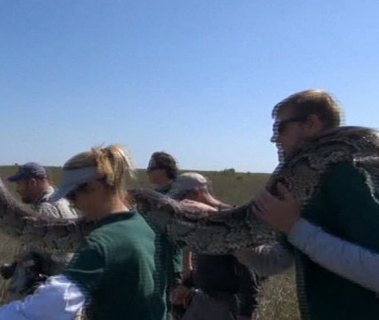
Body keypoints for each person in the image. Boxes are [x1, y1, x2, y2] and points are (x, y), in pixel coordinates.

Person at [0, 145, 175, 320]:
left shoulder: (104, 242)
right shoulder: (149, 226)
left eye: (72, 194)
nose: (72, 202)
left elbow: (57, 303)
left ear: (94, 186)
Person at [235, 89, 379, 320]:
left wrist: (295, 227)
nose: (275, 138)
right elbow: (275, 262)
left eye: (280, 128)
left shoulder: (349, 174)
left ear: (312, 123)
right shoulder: (303, 184)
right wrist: (237, 243)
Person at [170, 173, 259, 320]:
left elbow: (249, 275)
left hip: (225, 305)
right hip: (202, 300)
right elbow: (211, 267)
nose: (179, 207)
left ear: (196, 193)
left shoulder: (232, 220)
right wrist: (186, 285)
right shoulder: (201, 221)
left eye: (180, 200)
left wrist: (246, 313)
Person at [0, 162, 79, 301]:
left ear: (32, 182)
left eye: (19, 184)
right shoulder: (61, 200)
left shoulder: (44, 211)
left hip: (44, 295)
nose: (18, 189)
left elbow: (34, 252)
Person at [146, 151, 189, 318]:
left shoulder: (178, 195)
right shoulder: (153, 194)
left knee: (174, 308)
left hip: (171, 262)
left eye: (152, 167)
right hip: (152, 260)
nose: (148, 171)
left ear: (165, 170)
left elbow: (187, 233)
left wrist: (187, 266)